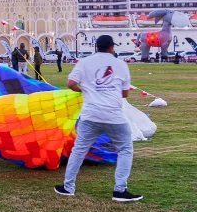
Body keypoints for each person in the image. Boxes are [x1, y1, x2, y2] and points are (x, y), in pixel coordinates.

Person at [55, 35, 142, 202]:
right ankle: (120, 190)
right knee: (125, 149)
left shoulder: (85, 62)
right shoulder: (120, 65)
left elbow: (70, 83)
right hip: (114, 116)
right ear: (111, 48)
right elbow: (124, 93)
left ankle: (68, 187)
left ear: (96, 47)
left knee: (79, 150)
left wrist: (85, 90)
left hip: (90, 115)